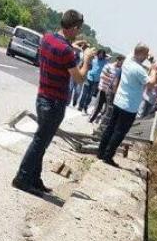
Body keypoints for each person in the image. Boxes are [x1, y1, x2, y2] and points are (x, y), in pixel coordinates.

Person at [12, 11, 95, 195]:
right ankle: (22, 177)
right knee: (40, 142)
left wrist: (72, 46)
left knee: (41, 141)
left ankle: (34, 178)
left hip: (42, 97)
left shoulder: (48, 39)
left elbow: (59, 49)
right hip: (55, 102)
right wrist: (87, 59)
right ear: (73, 28)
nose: (79, 32)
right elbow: (80, 78)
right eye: (78, 29)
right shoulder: (66, 51)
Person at [97, 43, 150, 166]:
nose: (147, 57)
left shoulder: (127, 61)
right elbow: (150, 83)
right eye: (146, 55)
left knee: (110, 127)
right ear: (141, 54)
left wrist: (146, 53)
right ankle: (108, 156)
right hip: (129, 106)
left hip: (119, 101)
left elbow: (135, 51)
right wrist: (153, 67)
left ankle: (101, 152)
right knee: (119, 132)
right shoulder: (139, 70)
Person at [90, 54, 122, 124]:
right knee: (98, 107)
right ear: (117, 60)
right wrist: (111, 80)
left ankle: (99, 119)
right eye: (121, 62)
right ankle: (91, 120)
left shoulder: (120, 70)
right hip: (103, 89)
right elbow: (102, 76)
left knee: (106, 109)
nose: (122, 64)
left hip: (111, 92)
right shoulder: (108, 66)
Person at [79, 48, 107, 113]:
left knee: (90, 95)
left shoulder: (105, 62)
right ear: (98, 54)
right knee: (84, 93)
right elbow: (87, 64)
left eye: (102, 55)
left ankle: (85, 107)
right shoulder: (93, 59)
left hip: (96, 81)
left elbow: (109, 63)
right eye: (100, 54)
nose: (100, 55)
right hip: (89, 78)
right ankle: (80, 106)